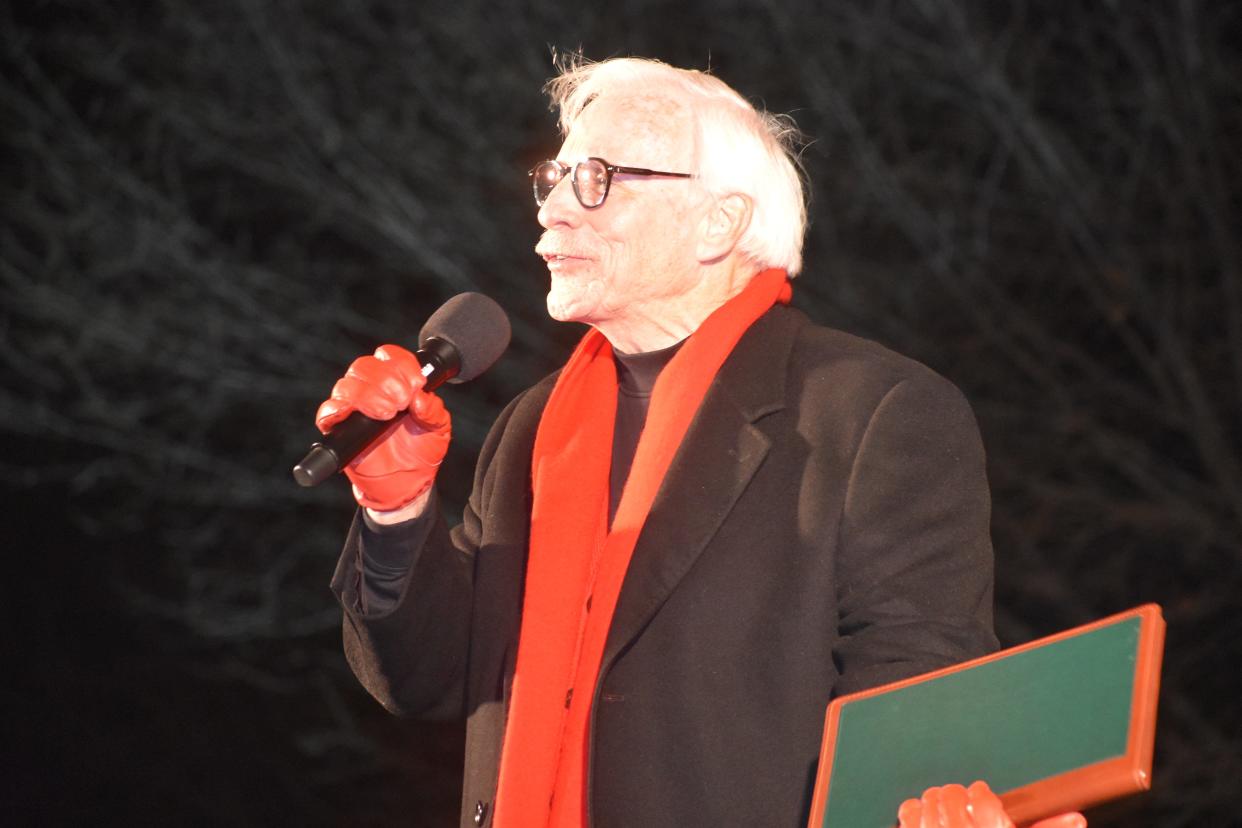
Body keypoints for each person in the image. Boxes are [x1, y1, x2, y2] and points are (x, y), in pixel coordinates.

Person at [318, 56, 1084, 828]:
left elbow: (914, 728)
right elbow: (430, 679)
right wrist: (397, 511)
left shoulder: (871, 412)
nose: (553, 209)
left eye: (598, 178)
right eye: (553, 179)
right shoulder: (532, 429)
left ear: (719, 221)